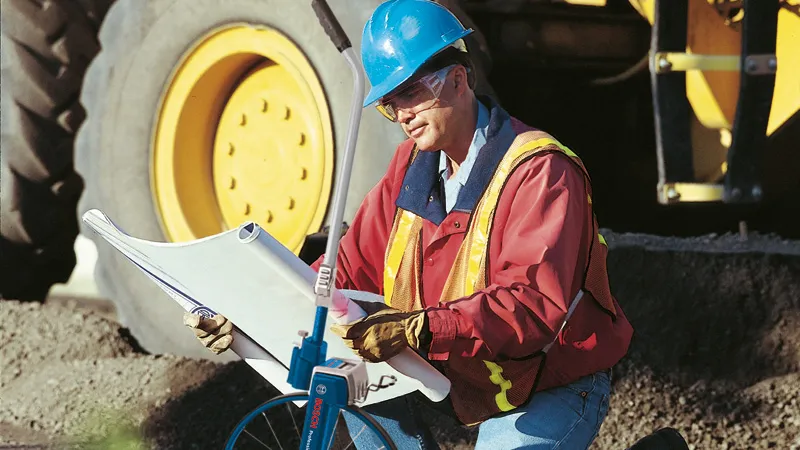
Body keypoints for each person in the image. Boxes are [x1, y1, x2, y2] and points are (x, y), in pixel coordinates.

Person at [184, 0, 633, 448]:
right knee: (347, 378)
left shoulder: (539, 172)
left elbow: (532, 305)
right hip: (456, 374)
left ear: (458, 79)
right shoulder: (411, 168)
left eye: (411, 93)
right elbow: (343, 275)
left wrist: (420, 328)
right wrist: (245, 314)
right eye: (390, 103)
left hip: (547, 380)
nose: (401, 115)